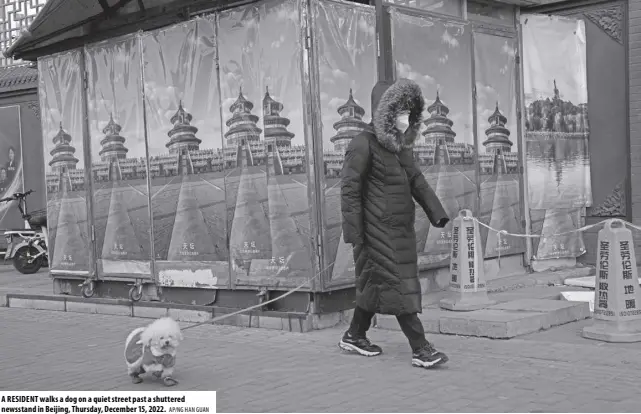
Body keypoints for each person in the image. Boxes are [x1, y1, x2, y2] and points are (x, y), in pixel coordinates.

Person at [338, 78, 450, 369]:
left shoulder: (401, 147)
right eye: (399, 112)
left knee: (375, 286)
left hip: (399, 230)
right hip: (375, 233)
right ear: (384, 112)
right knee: (400, 287)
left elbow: (417, 181)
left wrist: (437, 213)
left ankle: (354, 334)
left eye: (409, 113)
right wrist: (354, 233)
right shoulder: (362, 144)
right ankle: (421, 348)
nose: (405, 119)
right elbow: (349, 189)